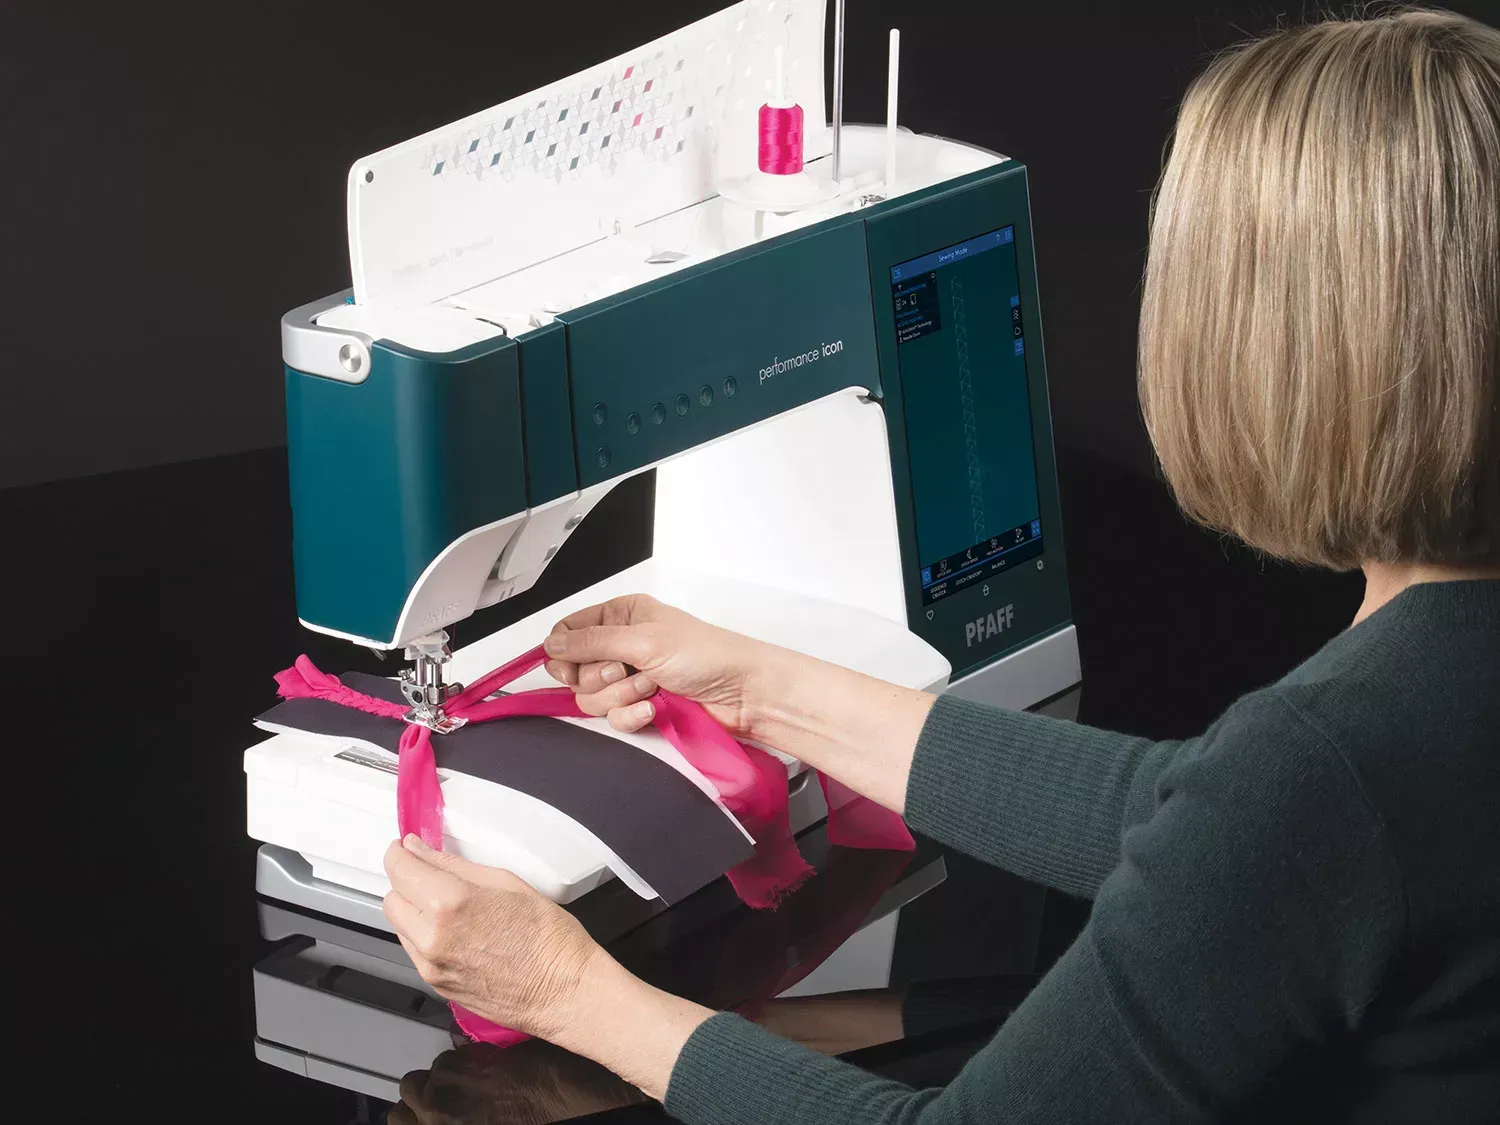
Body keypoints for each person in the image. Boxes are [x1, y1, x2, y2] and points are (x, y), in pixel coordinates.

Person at [378, 9, 1500, 1121]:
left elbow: (1261, 825)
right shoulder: (1395, 731)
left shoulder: (1326, 777)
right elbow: (1197, 819)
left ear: (1268, 347)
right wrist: (757, 689)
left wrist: (566, 989)